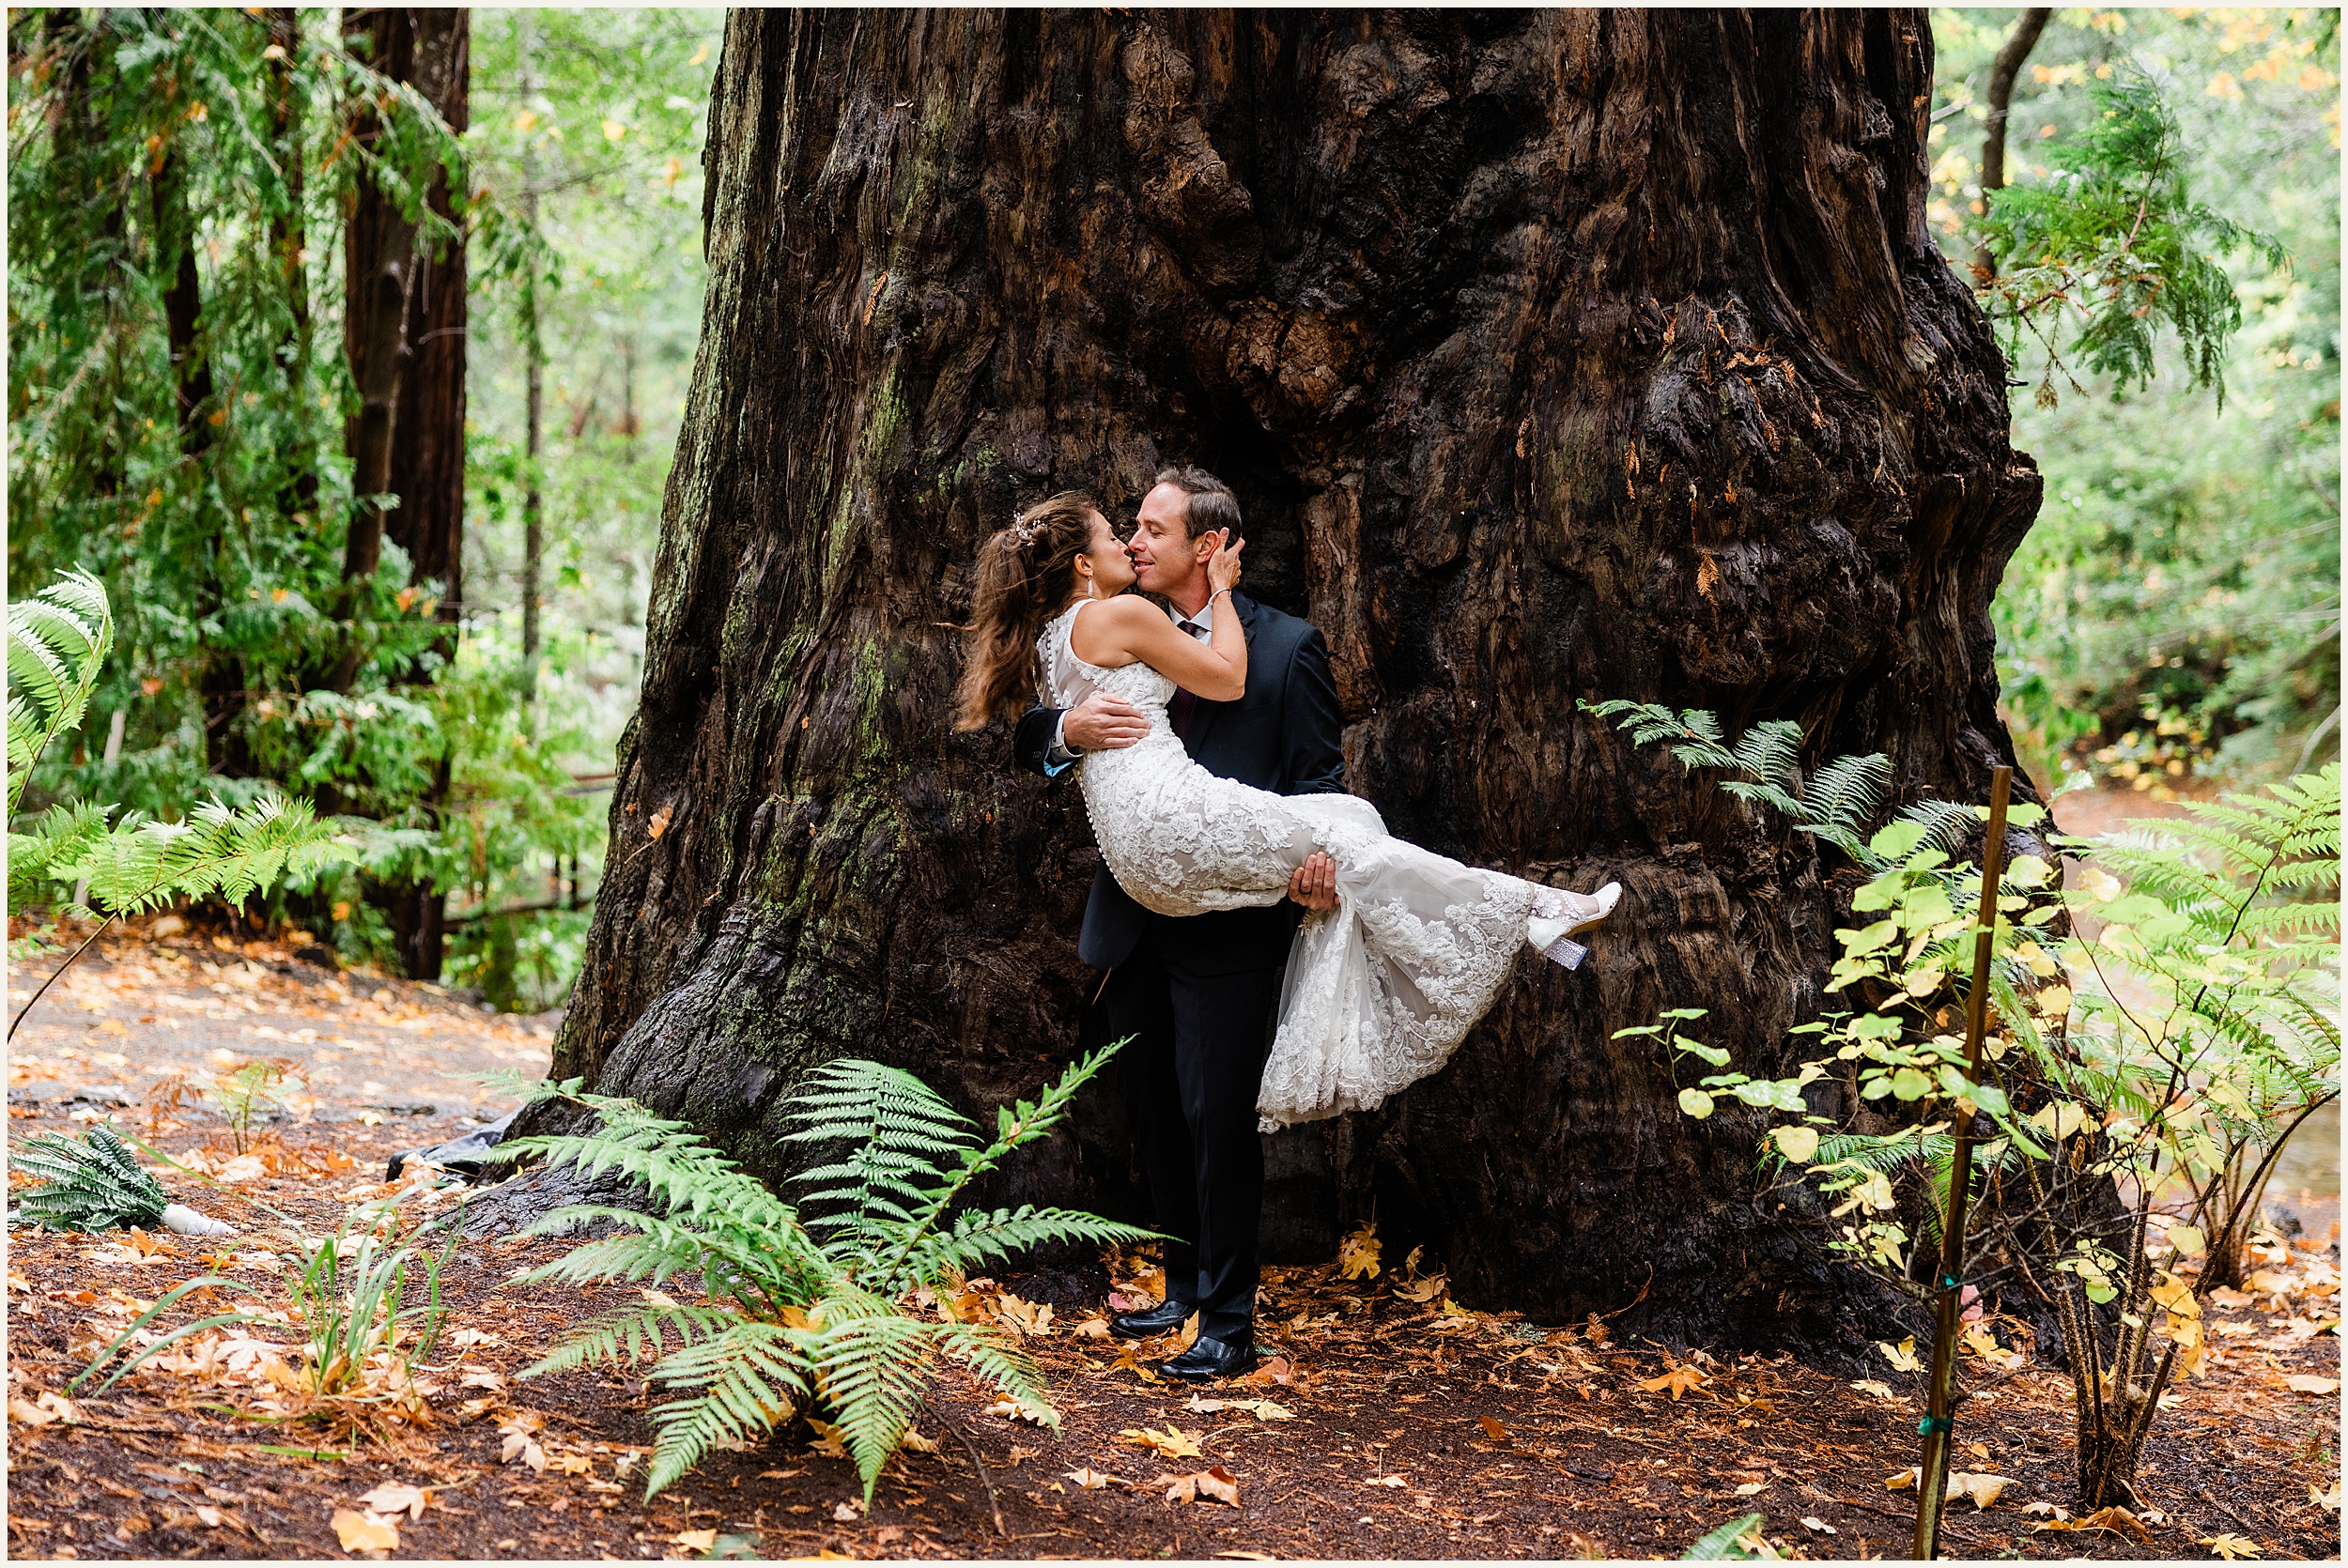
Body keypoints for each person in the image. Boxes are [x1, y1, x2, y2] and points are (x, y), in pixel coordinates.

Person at [955, 470, 1617, 1379]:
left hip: (1237, 911)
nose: (1138, 543)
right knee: (1154, 1116)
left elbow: (1315, 781)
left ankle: (1228, 1319)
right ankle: (1179, 1287)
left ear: (1209, 545)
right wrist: (1064, 729)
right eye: (1132, 530)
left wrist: (1312, 874)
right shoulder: (1109, 623)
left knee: (1215, 1118)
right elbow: (1031, 729)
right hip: (1137, 914)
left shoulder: (1286, 644)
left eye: (1154, 530)